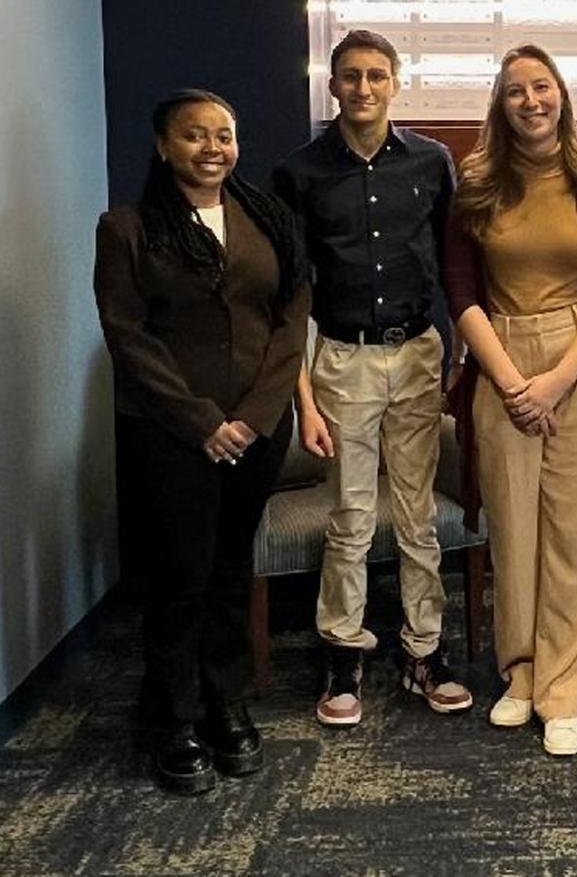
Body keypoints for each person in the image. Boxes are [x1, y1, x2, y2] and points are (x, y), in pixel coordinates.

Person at [95, 89, 309, 794]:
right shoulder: (126, 227)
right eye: (195, 135)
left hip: (257, 428)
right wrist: (202, 422)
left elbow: (290, 317)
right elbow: (128, 335)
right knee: (178, 576)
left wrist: (254, 415)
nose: (212, 147)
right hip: (170, 433)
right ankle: (172, 716)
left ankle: (225, 699)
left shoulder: (267, 218)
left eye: (224, 134)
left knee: (227, 569)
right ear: (163, 146)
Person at [273, 29, 472, 727]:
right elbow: (292, 289)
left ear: (396, 82)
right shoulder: (300, 173)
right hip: (340, 356)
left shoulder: (430, 162)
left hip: (416, 351)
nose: (363, 88)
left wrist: (462, 352)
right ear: (333, 86)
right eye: (350, 76)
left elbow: (455, 265)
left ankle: (424, 650)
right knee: (352, 517)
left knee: (417, 517)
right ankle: (344, 653)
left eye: (376, 76)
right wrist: (303, 396)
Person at [444, 44, 577, 757]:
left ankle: (567, 687)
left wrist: (556, 380)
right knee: (515, 531)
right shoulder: (476, 186)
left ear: (562, 96)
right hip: (497, 357)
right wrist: (510, 381)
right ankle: (520, 673)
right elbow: (460, 293)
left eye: (541, 87)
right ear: (501, 103)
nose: (531, 101)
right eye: (516, 90)